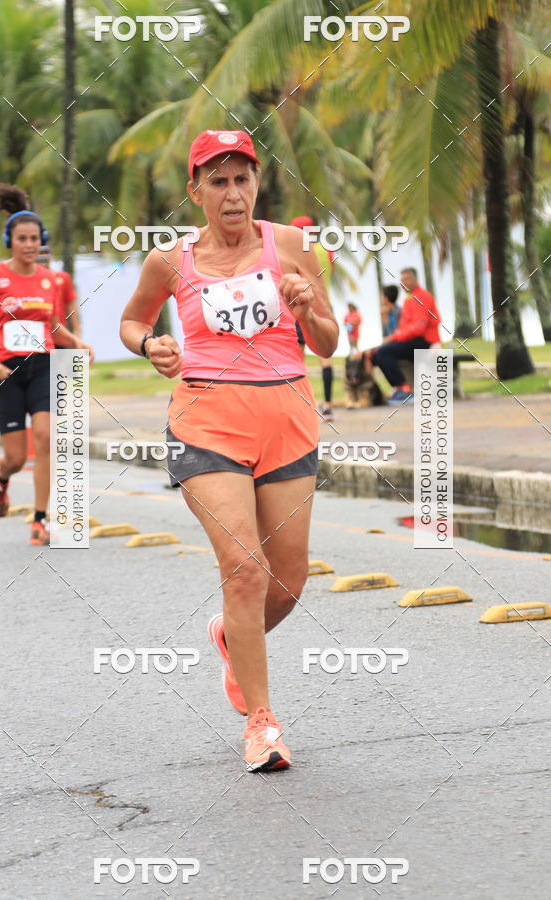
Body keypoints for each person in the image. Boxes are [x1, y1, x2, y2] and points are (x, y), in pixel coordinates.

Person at [120, 130, 338, 772]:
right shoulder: (169, 261)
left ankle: (227, 636)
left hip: (288, 419)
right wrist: (149, 345)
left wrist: (305, 310)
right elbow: (133, 320)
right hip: (207, 422)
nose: (233, 192)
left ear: (256, 185)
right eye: (217, 181)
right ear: (196, 191)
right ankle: (262, 725)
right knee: (243, 571)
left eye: (242, 178)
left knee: (287, 583)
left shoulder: (293, 246)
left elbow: (326, 342)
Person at [0, 184, 93, 545]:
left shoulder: (49, 280)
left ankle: (40, 519)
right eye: (22, 238)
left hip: (43, 367)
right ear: (11, 240)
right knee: (17, 457)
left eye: (35, 238)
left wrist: (77, 343)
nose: (29, 245)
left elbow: (50, 326)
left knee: (47, 437)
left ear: (42, 240)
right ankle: (2, 478)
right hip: (5, 371)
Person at [371, 267, 441, 403]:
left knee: (383, 352)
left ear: (416, 279)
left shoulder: (422, 296)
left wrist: (393, 338)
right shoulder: (408, 300)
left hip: (424, 341)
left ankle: (405, 389)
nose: (404, 282)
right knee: (376, 354)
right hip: (411, 340)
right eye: (402, 280)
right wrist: (394, 337)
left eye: (407, 279)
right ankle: (398, 388)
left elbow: (418, 329)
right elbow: (403, 328)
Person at [290, 216, 336, 422]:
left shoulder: (297, 252)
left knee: (298, 359)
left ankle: (307, 406)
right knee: (326, 358)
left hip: (302, 306)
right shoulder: (326, 251)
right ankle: (328, 405)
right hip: (325, 306)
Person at [36, 245, 82, 346]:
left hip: (59, 334)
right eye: (40, 254)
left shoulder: (62, 277)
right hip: (37, 336)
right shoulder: (29, 279)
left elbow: (72, 305)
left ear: (50, 255)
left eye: (45, 253)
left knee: (68, 361)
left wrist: (77, 329)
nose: (43, 257)